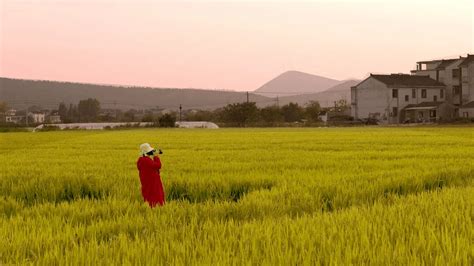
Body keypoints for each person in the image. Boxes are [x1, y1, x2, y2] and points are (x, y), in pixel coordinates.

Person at [137, 143, 165, 207]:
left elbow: (150, 168)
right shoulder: (146, 160)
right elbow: (158, 165)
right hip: (153, 184)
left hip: (146, 183)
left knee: (148, 198)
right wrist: (156, 156)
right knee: (156, 199)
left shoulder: (140, 160)